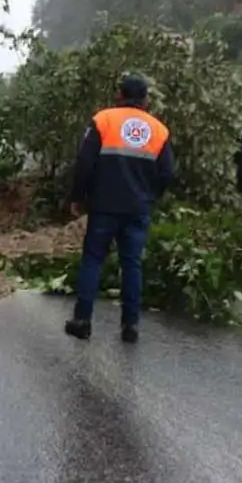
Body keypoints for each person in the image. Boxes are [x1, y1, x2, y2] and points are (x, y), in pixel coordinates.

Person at [65, 75, 174, 343]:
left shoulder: (103, 120)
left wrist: (77, 196)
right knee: (132, 264)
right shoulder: (159, 130)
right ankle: (131, 326)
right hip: (138, 209)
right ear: (146, 99)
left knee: (93, 259)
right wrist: (150, 198)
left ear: (120, 95)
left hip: (104, 205)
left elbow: (84, 163)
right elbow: (167, 173)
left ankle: (82, 320)